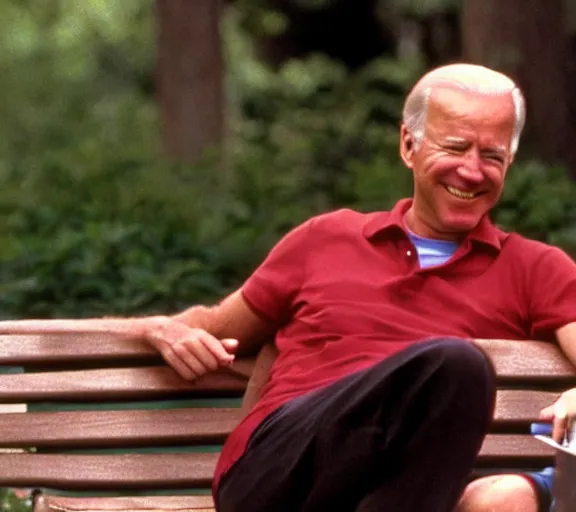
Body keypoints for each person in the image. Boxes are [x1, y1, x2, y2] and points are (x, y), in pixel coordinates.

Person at [2, 63, 576, 511]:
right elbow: (213, 328)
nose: (472, 171)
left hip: (397, 495)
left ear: (511, 160)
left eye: (492, 156)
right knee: (455, 365)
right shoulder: (326, 239)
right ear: (409, 145)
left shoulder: (534, 268)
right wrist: (156, 328)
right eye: (455, 148)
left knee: (455, 370)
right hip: (277, 479)